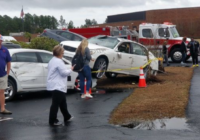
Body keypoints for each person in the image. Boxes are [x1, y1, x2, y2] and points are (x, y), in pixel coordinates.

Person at [47, 45, 75, 126]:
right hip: (57, 85)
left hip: (55, 85)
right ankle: (52, 120)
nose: (63, 54)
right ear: (59, 53)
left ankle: (67, 116)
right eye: (62, 53)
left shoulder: (52, 60)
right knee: (55, 104)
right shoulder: (59, 61)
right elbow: (64, 73)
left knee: (63, 102)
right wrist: (71, 70)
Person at [0, 34, 12, 114]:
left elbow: (8, 61)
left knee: (1, 92)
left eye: (0, 40)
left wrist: (7, 73)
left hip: (2, 75)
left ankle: (2, 109)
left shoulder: (5, 50)